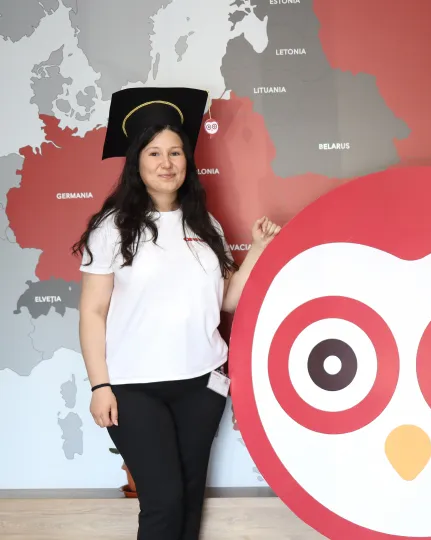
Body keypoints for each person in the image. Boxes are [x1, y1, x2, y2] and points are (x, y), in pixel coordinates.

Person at [72, 86, 281, 540]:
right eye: (154, 153)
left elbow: (225, 301)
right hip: (133, 388)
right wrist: (100, 385)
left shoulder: (207, 226)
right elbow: (92, 311)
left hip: (201, 385)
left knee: (187, 500)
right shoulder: (111, 228)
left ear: (187, 161)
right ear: (138, 163)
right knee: (163, 503)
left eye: (175, 153)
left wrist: (260, 251)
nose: (166, 163)